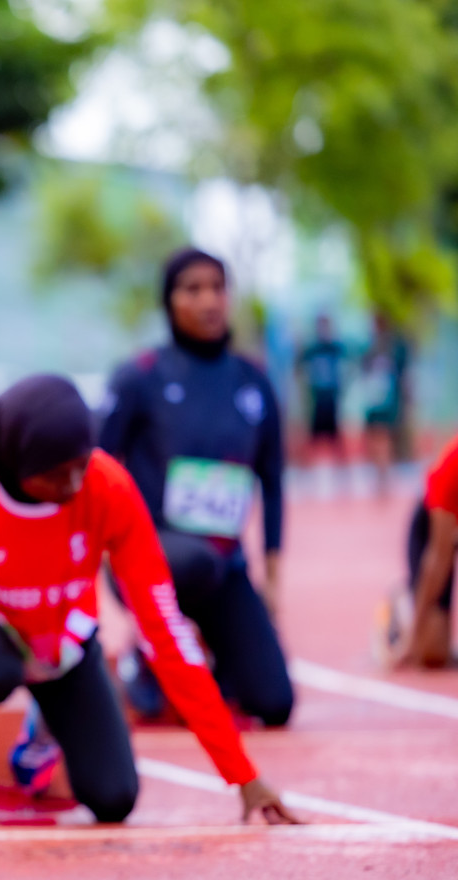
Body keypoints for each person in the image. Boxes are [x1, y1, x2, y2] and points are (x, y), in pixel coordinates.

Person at [0, 375, 294, 831]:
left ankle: (42, 725)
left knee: (115, 799)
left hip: (64, 646)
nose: (74, 483)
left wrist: (243, 776)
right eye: (57, 474)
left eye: (81, 465)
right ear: (17, 463)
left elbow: (165, 631)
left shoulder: (108, 486)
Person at [97, 248, 294, 727]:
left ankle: (210, 665)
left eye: (218, 288)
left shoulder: (254, 382)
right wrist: (98, 554)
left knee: (274, 703)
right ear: (169, 302)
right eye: (193, 289)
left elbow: (271, 482)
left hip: (223, 567)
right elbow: (95, 468)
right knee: (197, 558)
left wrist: (270, 579)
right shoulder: (140, 376)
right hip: (145, 559)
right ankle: (144, 651)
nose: (209, 300)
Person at [388, 435, 458, 668]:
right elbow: (439, 559)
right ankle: (403, 604)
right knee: (432, 654)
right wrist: (414, 635)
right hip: (434, 536)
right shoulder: (451, 466)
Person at [362, 314, 410, 499]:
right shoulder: (369, 350)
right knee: (374, 441)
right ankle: (379, 476)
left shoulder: (394, 349)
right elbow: (364, 374)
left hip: (388, 403)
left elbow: (402, 377)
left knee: (384, 440)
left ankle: (384, 479)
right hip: (373, 403)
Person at [297, 314, 346, 466]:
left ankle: (343, 473)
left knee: (335, 439)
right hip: (316, 398)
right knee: (312, 437)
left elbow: (347, 365)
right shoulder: (312, 349)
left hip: (331, 398)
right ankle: (305, 470)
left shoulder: (335, 347)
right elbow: (299, 367)